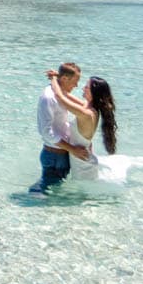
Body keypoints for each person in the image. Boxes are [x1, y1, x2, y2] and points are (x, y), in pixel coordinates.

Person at [49, 74, 143, 186]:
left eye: (86, 87)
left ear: (93, 94)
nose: (82, 88)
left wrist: (53, 78)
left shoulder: (86, 114)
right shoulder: (89, 109)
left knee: (84, 196)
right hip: (83, 159)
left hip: (82, 167)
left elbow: (59, 97)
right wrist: (60, 81)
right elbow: (65, 95)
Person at [28, 62, 90, 194]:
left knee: (52, 188)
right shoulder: (49, 97)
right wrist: (73, 149)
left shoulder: (59, 93)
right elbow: (46, 132)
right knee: (45, 188)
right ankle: (32, 204)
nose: (76, 85)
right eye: (75, 81)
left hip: (59, 154)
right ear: (65, 79)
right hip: (54, 156)